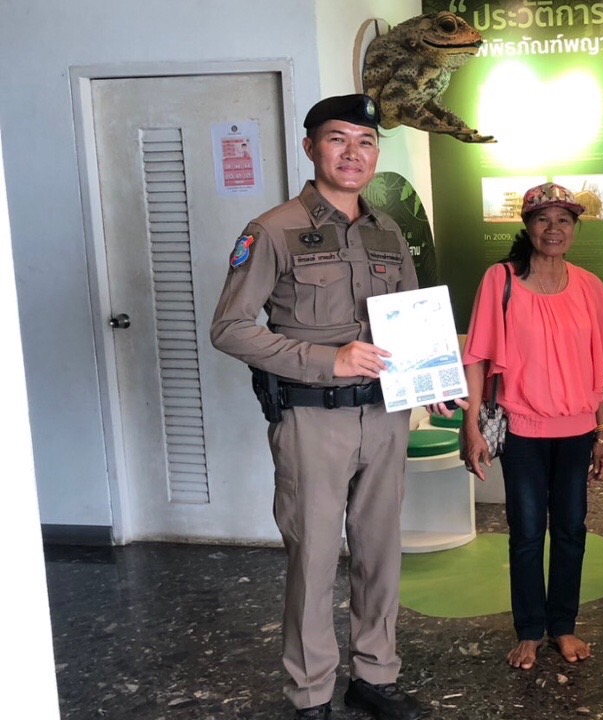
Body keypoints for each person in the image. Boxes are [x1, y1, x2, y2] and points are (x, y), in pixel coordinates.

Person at [210, 94, 448, 720]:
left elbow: (410, 321)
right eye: (338, 139)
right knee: (314, 559)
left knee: (380, 553)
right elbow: (230, 329)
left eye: (365, 141)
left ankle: (374, 676)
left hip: (385, 417)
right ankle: (311, 694)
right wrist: (327, 359)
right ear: (311, 146)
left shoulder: (387, 231)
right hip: (312, 419)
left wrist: (432, 379)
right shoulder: (273, 229)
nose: (352, 153)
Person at [461, 182, 603, 671]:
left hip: (577, 430)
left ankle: (564, 626)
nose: (554, 229)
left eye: (564, 220)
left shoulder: (590, 286)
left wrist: (601, 433)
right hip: (523, 430)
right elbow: (477, 357)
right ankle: (530, 631)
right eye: (543, 219)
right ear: (527, 226)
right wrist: (472, 425)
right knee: (528, 531)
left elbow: (600, 369)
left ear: (575, 228)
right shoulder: (501, 279)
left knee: (572, 529)